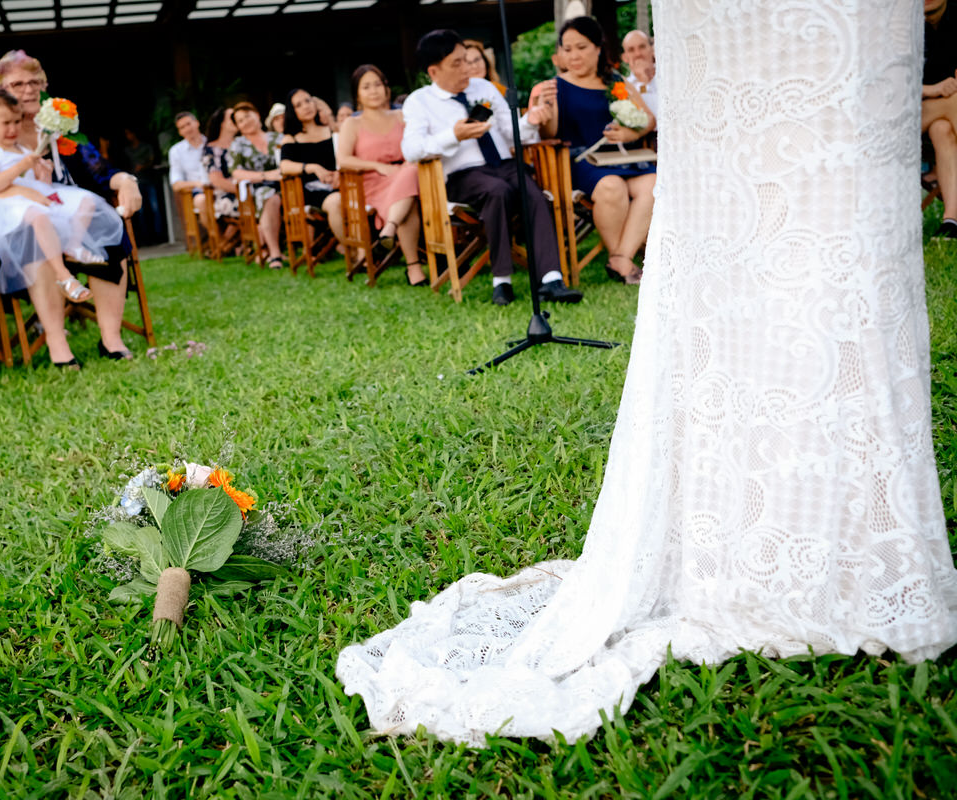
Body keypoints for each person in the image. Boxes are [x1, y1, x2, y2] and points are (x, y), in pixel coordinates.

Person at [338, 0, 957, 745]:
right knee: (526, 193)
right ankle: (513, 282)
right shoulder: (425, 105)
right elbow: (441, 146)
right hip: (466, 179)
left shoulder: (514, 91)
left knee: (833, 202)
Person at [0, 49, 144, 362]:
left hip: (67, 212)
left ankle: (111, 340)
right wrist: (16, 191)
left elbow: (100, 171)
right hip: (22, 219)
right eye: (17, 84)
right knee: (36, 240)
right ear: (1, 87)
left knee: (108, 235)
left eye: (34, 82)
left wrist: (126, 181)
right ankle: (58, 344)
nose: (27, 90)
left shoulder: (59, 126)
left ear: (44, 85)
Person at [401, 29, 581, 306]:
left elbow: (511, 134)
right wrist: (454, 136)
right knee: (496, 191)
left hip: (504, 164)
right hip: (464, 174)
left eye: (467, 60)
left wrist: (531, 121)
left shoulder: (483, 88)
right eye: (456, 64)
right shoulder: (419, 101)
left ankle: (551, 279)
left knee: (532, 193)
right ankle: (502, 281)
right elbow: (411, 150)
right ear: (434, 71)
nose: (466, 69)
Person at [0, 87, 123, 317]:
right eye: (5, 123)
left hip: (34, 195)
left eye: (17, 122)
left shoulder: (22, 148)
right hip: (7, 204)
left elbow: (39, 184)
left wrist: (43, 174)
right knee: (38, 215)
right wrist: (23, 165)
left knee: (86, 201)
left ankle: (74, 245)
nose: (13, 129)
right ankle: (63, 276)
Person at [541, 16, 656, 284]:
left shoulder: (613, 81)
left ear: (597, 48)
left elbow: (648, 119)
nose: (574, 56)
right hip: (581, 162)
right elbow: (549, 133)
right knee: (611, 187)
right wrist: (544, 111)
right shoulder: (556, 86)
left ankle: (620, 258)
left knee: (652, 183)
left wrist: (631, 132)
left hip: (620, 157)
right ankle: (625, 263)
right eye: (567, 50)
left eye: (581, 47)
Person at [337, 64, 425, 286]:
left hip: (406, 173)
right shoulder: (352, 123)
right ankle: (413, 268)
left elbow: (417, 144)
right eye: (366, 87)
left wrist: (405, 165)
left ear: (386, 89)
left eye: (378, 84)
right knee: (408, 198)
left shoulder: (401, 116)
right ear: (357, 93)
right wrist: (376, 166)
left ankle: (390, 228)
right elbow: (344, 159)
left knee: (409, 173)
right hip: (372, 183)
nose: (374, 91)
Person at [279, 88, 343, 244]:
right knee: (336, 202)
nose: (306, 106)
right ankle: (354, 250)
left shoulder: (332, 132)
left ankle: (366, 250)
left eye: (308, 101)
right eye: (299, 105)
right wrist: (313, 167)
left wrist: (339, 173)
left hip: (341, 183)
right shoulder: (291, 138)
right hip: (311, 191)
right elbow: (284, 166)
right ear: (292, 112)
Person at [228, 101, 285, 269]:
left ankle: (267, 248)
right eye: (240, 121)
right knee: (269, 196)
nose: (245, 122)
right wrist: (265, 176)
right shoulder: (238, 144)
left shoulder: (278, 137)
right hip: (256, 188)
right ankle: (275, 253)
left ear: (257, 115)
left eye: (247, 116)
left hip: (284, 184)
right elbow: (236, 172)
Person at [923, 0, 957, 238]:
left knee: (941, 129)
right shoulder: (898, 26)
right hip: (902, 115)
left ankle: (951, 221)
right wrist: (932, 89)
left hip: (940, 117)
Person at [200, 107, 239, 229]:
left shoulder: (242, 143)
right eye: (232, 117)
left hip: (248, 189)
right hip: (226, 194)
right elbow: (216, 180)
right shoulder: (210, 149)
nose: (237, 120)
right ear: (222, 123)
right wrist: (245, 192)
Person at [168, 111, 209, 221]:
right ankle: (220, 237)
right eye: (182, 127)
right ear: (180, 132)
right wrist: (198, 184)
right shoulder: (176, 151)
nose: (187, 129)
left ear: (197, 123)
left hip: (220, 188)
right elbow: (176, 184)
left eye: (188, 124)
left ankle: (225, 237)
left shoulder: (212, 144)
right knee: (202, 200)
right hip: (198, 192)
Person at [620, 30, 658, 126]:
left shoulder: (668, 76)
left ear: (652, 50)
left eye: (642, 47)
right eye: (631, 50)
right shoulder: (624, 87)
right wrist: (643, 83)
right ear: (625, 57)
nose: (638, 54)